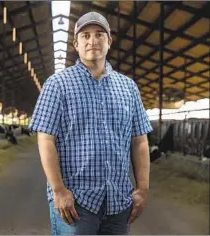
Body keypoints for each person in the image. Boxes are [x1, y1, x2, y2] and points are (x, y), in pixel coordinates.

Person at [28, 11, 153, 235]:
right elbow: (46, 139)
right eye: (85, 36)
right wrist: (58, 190)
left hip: (118, 203)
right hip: (75, 203)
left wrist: (142, 189)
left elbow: (139, 142)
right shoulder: (57, 85)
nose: (92, 41)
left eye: (99, 34)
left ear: (109, 41)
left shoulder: (128, 87)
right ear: (76, 44)